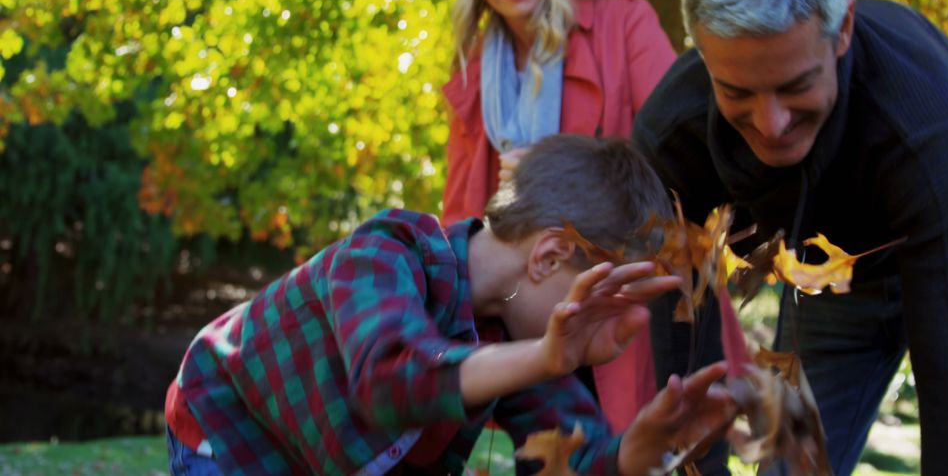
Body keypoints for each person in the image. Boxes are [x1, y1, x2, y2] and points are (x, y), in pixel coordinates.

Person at [631, 0, 948, 475]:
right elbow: (683, 345)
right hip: (837, 273)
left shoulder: (921, 119)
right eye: (737, 92)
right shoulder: (673, 135)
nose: (771, 123)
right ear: (701, 50)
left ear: (843, 28)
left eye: (795, 85)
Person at [163, 135, 738, 475]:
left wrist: (638, 449)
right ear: (548, 256)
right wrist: (543, 358)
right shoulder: (385, 254)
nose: (616, 328)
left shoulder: (516, 330)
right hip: (231, 427)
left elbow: (564, 459)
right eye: (606, 302)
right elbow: (389, 378)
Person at [442, 0, 678, 433]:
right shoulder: (476, 67)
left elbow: (677, 153)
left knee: (647, 452)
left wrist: (559, 167)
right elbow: (460, 206)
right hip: (533, 309)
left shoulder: (623, 21)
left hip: (624, 292)